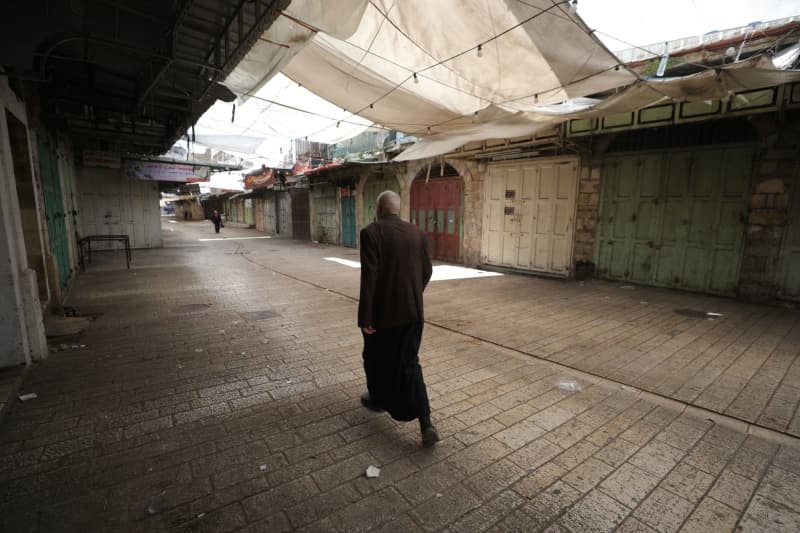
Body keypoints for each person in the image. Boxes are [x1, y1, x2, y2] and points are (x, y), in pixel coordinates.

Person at [358, 190, 438, 448]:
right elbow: (427, 271)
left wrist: (366, 317)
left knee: (374, 358)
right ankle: (426, 422)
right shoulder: (418, 233)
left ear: (379, 209)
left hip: (383, 317)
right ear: (397, 209)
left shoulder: (371, 233)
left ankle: (378, 399)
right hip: (413, 314)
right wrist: (413, 295)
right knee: (410, 363)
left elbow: (369, 278)